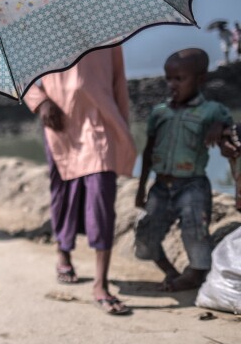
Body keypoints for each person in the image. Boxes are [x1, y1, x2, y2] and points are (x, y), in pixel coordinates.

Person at [24, 46, 136, 315]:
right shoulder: (40, 25)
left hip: (101, 120)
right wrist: (40, 102)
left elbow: (118, 80)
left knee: (102, 196)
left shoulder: (108, 30)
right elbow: (22, 72)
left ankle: (101, 282)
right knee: (63, 192)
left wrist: (123, 127)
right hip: (60, 121)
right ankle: (63, 249)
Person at [135, 48, 234, 292]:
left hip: (192, 185)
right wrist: (141, 188)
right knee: (146, 237)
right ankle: (171, 271)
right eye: (168, 78)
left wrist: (220, 127)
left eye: (179, 79)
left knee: (195, 232)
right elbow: (148, 151)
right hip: (160, 186)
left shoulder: (212, 111)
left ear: (200, 80)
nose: (171, 84)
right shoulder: (159, 113)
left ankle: (196, 274)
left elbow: (231, 133)